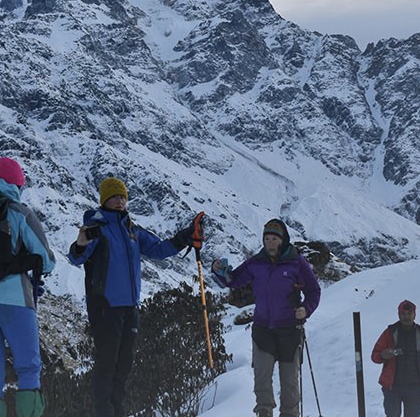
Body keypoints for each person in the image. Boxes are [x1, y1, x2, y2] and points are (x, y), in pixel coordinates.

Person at [66, 176, 201, 417]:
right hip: (106, 306)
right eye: (114, 197)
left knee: (124, 366)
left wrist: (185, 236)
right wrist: (79, 245)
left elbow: (159, 249)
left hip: (130, 308)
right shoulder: (96, 227)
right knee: (107, 364)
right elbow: (77, 258)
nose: (119, 201)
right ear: (105, 200)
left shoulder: (132, 230)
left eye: (122, 197)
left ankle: (117, 412)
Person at [0, 157, 55, 417]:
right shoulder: (20, 212)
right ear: (18, 184)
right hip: (15, 302)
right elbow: (47, 261)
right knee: (28, 368)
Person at [212, 218, 321, 417]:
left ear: (283, 240)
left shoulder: (296, 263)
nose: (270, 243)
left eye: (274, 239)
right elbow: (234, 280)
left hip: (289, 330)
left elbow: (314, 291)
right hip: (263, 329)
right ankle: (264, 413)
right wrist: (218, 270)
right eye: (267, 238)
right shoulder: (256, 263)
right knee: (261, 379)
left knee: (289, 381)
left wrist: (306, 309)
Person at [371, 300, 420, 417]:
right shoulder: (389, 333)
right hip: (393, 387)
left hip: (416, 387)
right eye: (403, 314)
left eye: (409, 314)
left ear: (414, 315)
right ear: (399, 315)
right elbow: (375, 356)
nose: (406, 317)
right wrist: (382, 356)